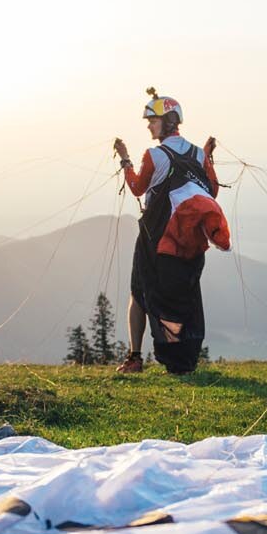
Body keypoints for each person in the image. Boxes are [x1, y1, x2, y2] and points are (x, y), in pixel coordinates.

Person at [112, 88, 231, 375]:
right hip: (190, 241)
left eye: (153, 120)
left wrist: (125, 159)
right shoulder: (198, 154)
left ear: (168, 121)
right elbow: (211, 190)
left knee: (140, 293)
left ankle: (135, 358)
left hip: (156, 237)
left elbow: (138, 188)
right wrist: (208, 156)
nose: (149, 126)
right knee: (183, 295)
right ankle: (183, 356)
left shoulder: (154, 154)